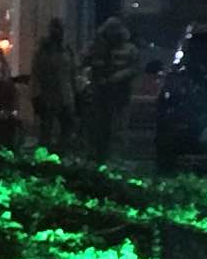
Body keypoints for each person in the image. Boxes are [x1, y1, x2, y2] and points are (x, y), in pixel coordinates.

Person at [82, 14, 141, 160]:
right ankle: (100, 153)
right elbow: (83, 61)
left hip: (119, 93)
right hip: (100, 93)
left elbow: (135, 68)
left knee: (118, 127)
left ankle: (116, 155)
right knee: (98, 126)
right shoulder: (96, 48)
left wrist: (118, 76)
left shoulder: (129, 49)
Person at [31, 16, 80, 153]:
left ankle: (62, 152)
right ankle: (45, 154)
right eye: (55, 28)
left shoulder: (67, 50)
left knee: (67, 127)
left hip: (66, 95)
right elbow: (36, 73)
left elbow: (73, 73)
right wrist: (35, 94)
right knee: (46, 127)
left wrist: (76, 93)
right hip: (48, 95)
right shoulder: (43, 51)